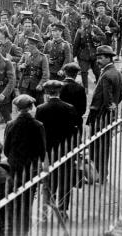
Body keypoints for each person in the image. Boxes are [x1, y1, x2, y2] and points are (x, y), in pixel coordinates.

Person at [35, 80, 81, 219]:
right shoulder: (70, 108)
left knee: (48, 182)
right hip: (66, 150)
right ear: (59, 92)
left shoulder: (41, 109)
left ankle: (44, 212)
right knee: (65, 181)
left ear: (46, 93)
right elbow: (76, 130)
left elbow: (39, 132)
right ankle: (62, 209)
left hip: (49, 151)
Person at [4, 95, 46, 236]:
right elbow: (42, 150)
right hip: (31, 169)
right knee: (27, 203)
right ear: (31, 108)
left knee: (13, 199)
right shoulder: (38, 125)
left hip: (14, 168)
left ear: (17, 108)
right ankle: (25, 231)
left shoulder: (10, 124)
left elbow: (6, 149)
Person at [86, 45, 122, 182]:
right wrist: (114, 107)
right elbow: (120, 96)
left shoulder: (107, 75)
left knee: (97, 147)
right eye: (97, 58)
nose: (98, 61)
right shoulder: (116, 72)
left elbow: (107, 99)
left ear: (108, 58)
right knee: (104, 146)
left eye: (100, 58)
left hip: (101, 116)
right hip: (108, 116)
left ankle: (97, 175)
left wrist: (108, 108)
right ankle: (102, 175)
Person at [72, 12, 105, 89]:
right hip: (83, 55)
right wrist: (74, 57)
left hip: (95, 54)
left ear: (89, 20)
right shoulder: (79, 31)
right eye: (81, 19)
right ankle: (85, 88)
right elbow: (76, 44)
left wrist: (95, 37)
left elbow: (103, 37)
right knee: (83, 72)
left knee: (97, 71)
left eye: (84, 19)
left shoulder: (95, 28)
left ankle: (98, 85)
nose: (82, 20)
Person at [18, 36, 49, 105]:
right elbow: (19, 65)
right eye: (26, 45)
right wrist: (21, 66)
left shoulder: (42, 57)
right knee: (24, 106)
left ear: (33, 45)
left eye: (27, 45)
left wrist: (41, 84)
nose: (26, 46)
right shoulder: (25, 55)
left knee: (39, 106)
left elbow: (46, 74)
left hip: (37, 85)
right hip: (25, 85)